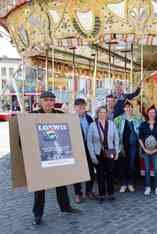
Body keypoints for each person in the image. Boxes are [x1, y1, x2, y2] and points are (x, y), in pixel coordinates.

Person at [31, 91, 80, 225]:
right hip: (41, 157)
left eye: (52, 100)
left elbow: (71, 129)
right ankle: (38, 214)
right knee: (40, 187)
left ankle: (65, 207)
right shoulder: (32, 116)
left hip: (58, 155)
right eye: (46, 100)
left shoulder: (60, 115)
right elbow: (24, 137)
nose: (49, 102)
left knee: (61, 183)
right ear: (40, 101)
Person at [87, 106, 120, 202]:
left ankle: (110, 193)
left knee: (110, 173)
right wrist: (92, 155)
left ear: (107, 114)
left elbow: (116, 139)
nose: (103, 114)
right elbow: (89, 142)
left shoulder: (112, 124)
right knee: (100, 174)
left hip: (110, 152)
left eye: (104, 112)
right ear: (97, 114)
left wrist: (117, 151)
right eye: (101, 112)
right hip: (98, 153)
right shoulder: (93, 125)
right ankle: (101, 194)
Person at [72, 98, 97, 203]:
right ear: (75, 108)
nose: (82, 108)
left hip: (89, 148)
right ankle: (78, 193)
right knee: (77, 173)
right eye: (79, 106)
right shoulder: (71, 119)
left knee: (91, 171)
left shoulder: (89, 118)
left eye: (83, 106)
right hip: (77, 149)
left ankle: (89, 191)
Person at [114, 100, 142, 193]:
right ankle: (123, 184)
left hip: (134, 146)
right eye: (126, 107)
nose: (128, 108)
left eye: (130, 107)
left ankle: (130, 183)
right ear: (124, 108)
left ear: (132, 108)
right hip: (122, 146)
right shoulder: (118, 119)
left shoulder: (137, 119)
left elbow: (142, 130)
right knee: (122, 165)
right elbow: (114, 134)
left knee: (132, 165)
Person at [139, 106, 157, 195]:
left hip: (156, 151)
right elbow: (140, 138)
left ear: (155, 114)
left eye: (153, 112)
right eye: (150, 112)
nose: (152, 114)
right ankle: (148, 187)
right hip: (146, 152)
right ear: (147, 114)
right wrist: (145, 149)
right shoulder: (143, 124)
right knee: (147, 170)